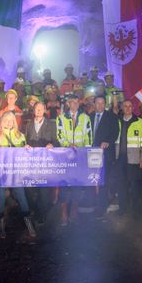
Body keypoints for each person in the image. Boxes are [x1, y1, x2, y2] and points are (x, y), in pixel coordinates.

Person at [0, 111, 37, 239]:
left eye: (12, 120)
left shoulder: (20, 135)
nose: (9, 122)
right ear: (2, 122)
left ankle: (28, 223)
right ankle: (0, 223)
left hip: (16, 172)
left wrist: (27, 148)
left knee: (22, 197)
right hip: (1, 172)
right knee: (1, 198)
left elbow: (24, 153)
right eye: (6, 120)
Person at [56, 94, 92, 225]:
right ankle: (64, 211)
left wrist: (86, 152)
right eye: (73, 102)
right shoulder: (61, 118)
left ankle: (74, 209)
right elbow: (59, 135)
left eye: (77, 102)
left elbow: (89, 136)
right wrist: (68, 145)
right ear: (68, 104)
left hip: (79, 156)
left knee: (77, 184)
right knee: (64, 184)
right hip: (65, 156)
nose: (75, 104)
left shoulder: (85, 118)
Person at [24, 102, 59, 224]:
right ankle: (35, 210)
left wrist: (52, 144)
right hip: (32, 162)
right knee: (30, 189)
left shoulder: (51, 124)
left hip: (45, 162)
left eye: (41, 108)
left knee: (44, 190)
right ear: (33, 110)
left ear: (44, 110)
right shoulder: (28, 125)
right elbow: (25, 140)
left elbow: (56, 141)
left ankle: (43, 213)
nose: (38, 110)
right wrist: (26, 145)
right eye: (36, 109)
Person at [115, 100, 142, 217]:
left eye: (130, 106)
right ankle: (122, 208)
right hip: (120, 159)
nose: (128, 108)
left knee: (135, 186)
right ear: (122, 108)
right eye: (125, 106)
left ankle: (136, 210)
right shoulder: (117, 121)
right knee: (121, 185)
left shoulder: (141, 123)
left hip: (134, 159)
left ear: (133, 108)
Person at [90, 96, 119, 216]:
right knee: (93, 178)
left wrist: (107, 141)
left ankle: (102, 206)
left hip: (105, 153)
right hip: (91, 153)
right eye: (98, 103)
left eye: (102, 103)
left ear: (105, 104)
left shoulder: (111, 117)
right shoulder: (89, 116)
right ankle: (94, 202)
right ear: (94, 104)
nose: (100, 105)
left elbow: (115, 132)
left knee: (102, 180)